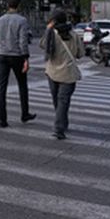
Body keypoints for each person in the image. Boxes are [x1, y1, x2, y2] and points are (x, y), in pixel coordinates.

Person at [0, 0, 36, 128]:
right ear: (18, 6)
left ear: (7, 6)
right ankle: (24, 113)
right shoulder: (22, 20)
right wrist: (26, 58)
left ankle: (2, 119)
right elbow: (23, 41)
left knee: (1, 87)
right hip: (17, 56)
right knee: (22, 85)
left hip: (2, 55)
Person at [40, 10, 84, 140]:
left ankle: (61, 125)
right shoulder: (74, 35)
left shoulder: (51, 34)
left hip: (52, 72)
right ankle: (60, 126)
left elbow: (42, 45)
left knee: (57, 100)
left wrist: (47, 29)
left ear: (53, 21)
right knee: (63, 101)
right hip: (68, 73)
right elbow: (80, 54)